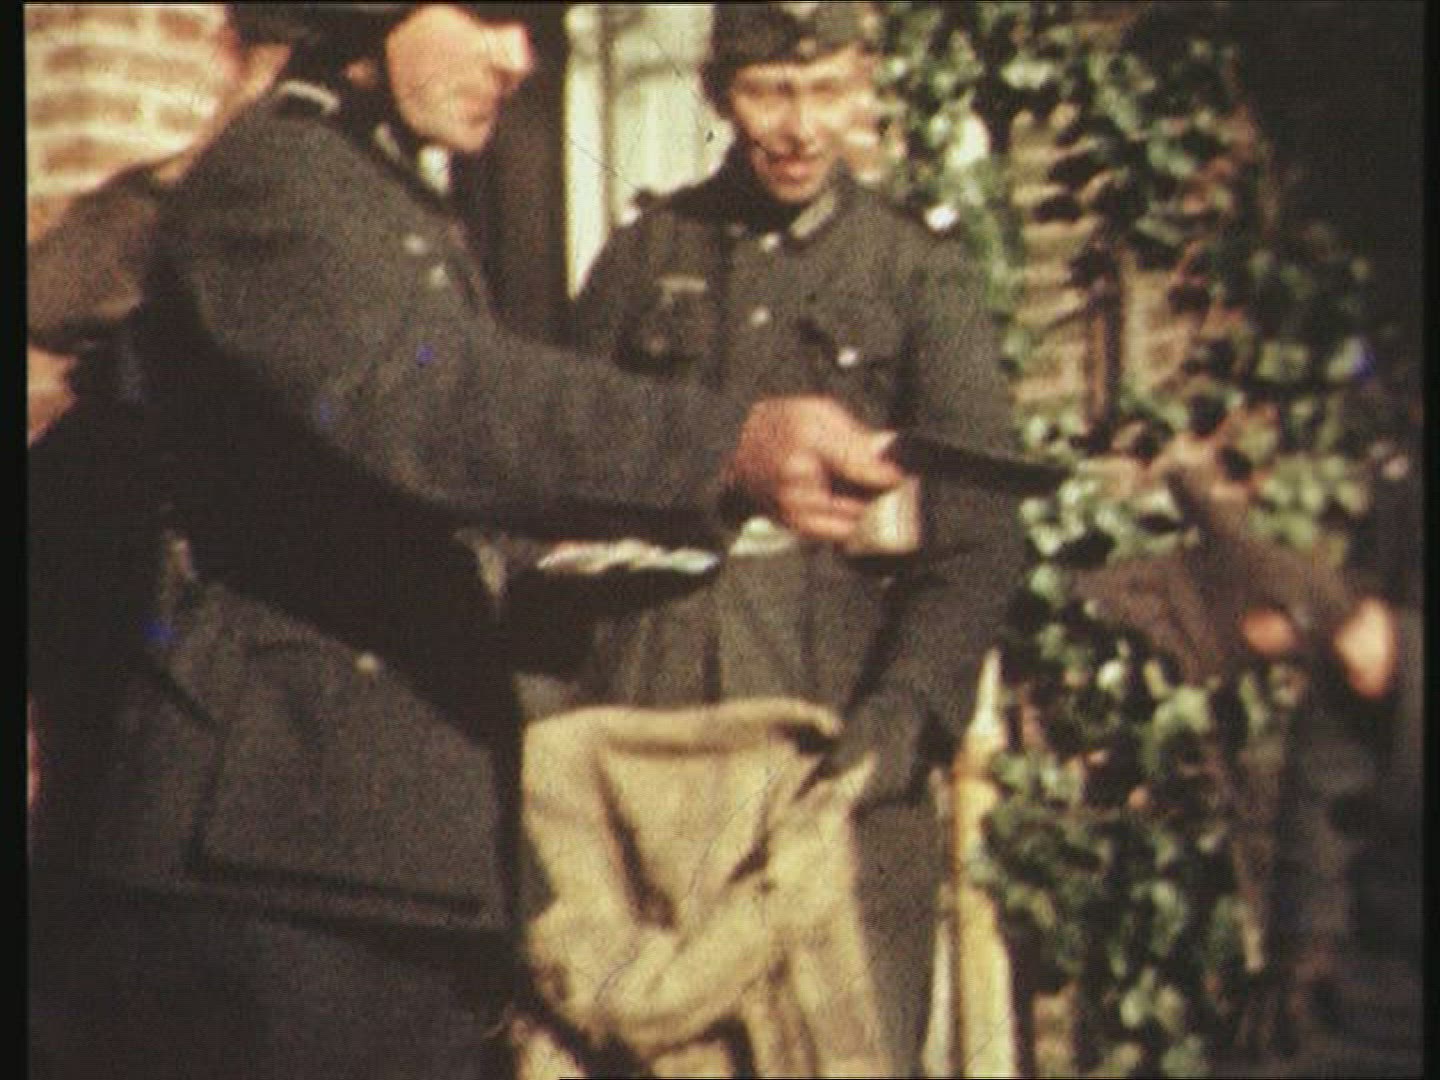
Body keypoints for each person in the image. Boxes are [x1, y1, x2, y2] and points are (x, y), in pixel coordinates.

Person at [26, 6, 905, 1080]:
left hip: (352, 852)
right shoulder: (283, 175)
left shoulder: (372, 189)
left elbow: (367, 494)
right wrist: (728, 443)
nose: (517, 58)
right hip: (275, 863)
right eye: (488, 13)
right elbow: (437, 400)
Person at [561, 4, 1027, 1073]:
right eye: (771, 92)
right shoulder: (645, 257)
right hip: (660, 744)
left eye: (828, 92)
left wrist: (900, 722)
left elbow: (978, 544)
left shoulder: (917, 274)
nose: (802, 127)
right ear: (720, 94)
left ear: (865, 86)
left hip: (836, 744)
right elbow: (567, 476)